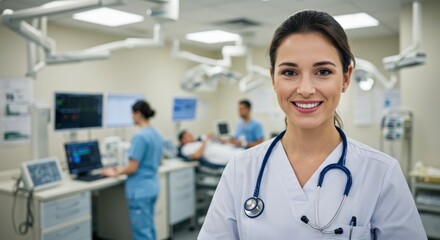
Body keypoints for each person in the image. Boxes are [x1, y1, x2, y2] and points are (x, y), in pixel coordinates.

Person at [198, 10, 426, 240]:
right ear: (273, 78)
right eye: (289, 72)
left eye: (323, 72)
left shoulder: (381, 173)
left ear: (346, 78)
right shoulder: (241, 169)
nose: (305, 89)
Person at [102, 100, 163, 240]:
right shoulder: (156, 134)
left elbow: (133, 167)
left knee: (142, 233)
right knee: (149, 228)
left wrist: (114, 172)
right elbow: (158, 160)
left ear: (138, 114)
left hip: (140, 191)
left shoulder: (140, 136)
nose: (132, 117)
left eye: (132, 114)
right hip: (152, 187)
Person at [178, 130, 243, 166]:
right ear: (182, 140)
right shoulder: (186, 148)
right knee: (240, 158)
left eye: (190, 134)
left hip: (224, 148)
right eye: (188, 136)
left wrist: (214, 137)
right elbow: (197, 155)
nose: (191, 136)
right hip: (217, 155)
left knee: (241, 152)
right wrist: (205, 141)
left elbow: (217, 140)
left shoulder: (198, 142)